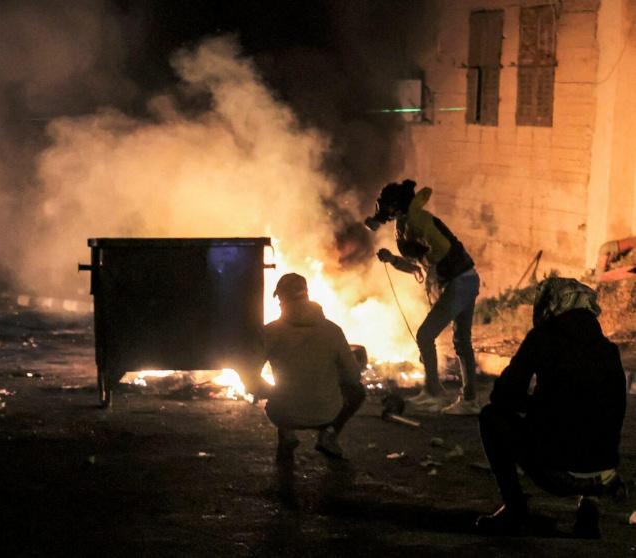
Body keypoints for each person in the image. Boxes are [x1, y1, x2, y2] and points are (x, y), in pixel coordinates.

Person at [476, 277, 627, 538]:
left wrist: (534, 405)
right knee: (593, 421)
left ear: (552, 304)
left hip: (557, 472)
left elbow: (502, 395)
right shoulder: (608, 349)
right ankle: (589, 510)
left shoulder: (542, 338)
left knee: (491, 417)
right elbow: (614, 414)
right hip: (604, 475)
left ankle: (515, 509)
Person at [365, 179, 479, 414]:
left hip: (459, 282)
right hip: (465, 279)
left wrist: (432, 268)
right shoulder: (406, 222)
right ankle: (468, 400)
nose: (383, 210)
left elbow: (442, 249)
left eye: (386, 205)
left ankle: (435, 393)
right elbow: (418, 265)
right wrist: (393, 260)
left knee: (425, 335)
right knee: (461, 341)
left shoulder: (418, 220)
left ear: (396, 206)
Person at [262, 273, 366, 463]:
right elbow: (353, 376)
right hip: (326, 413)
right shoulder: (333, 330)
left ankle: (287, 434)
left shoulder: (270, 332)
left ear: (281, 298)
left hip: (282, 412)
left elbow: (250, 372)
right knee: (357, 391)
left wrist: (267, 390)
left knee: (279, 394)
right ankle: (329, 434)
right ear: (306, 295)